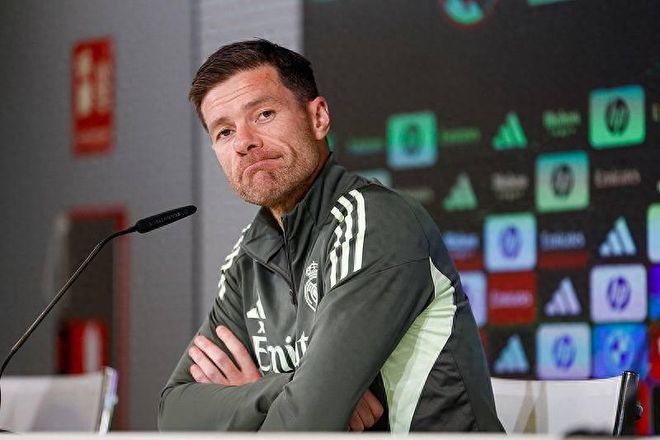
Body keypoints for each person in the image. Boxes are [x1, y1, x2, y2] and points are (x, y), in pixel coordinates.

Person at [158, 39, 503, 432]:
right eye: (224, 132)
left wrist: (272, 402)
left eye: (264, 114)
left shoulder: (374, 222)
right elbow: (174, 415)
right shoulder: (247, 258)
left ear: (318, 117)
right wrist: (282, 389)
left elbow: (305, 425)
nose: (244, 142)